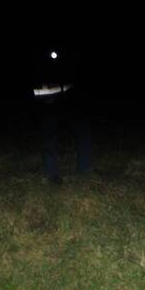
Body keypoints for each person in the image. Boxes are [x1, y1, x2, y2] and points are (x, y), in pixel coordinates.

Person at [31, 44, 91, 185]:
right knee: (50, 137)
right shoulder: (41, 58)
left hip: (67, 102)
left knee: (82, 132)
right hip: (48, 103)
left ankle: (85, 169)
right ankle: (51, 174)